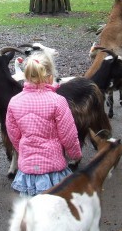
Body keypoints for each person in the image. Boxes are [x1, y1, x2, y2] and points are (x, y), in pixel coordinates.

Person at [5, 52, 82, 196]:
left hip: (27, 171)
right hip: (53, 169)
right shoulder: (57, 101)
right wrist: (75, 154)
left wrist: (24, 152)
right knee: (54, 209)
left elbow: (14, 136)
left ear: (27, 75)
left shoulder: (14, 102)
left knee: (31, 211)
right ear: (50, 76)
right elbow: (68, 135)